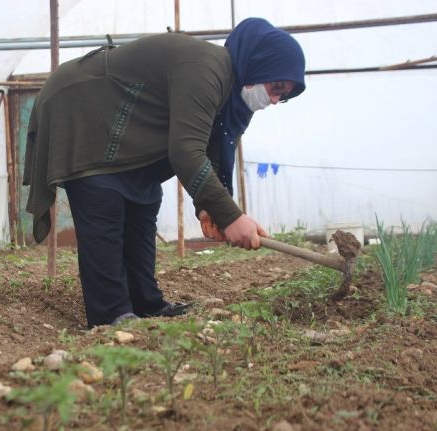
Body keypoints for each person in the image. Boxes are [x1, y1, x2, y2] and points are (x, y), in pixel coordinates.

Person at [23, 18, 306, 327]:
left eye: (284, 96)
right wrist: (231, 217)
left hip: (134, 142)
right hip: (84, 109)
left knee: (143, 200)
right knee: (103, 195)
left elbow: (209, 150)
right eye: (276, 88)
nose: (275, 100)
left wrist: (209, 209)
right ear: (257, 64)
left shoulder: (228, 96)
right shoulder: (207, 67)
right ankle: (111, 314)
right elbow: (186, 151)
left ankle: (146, 304)